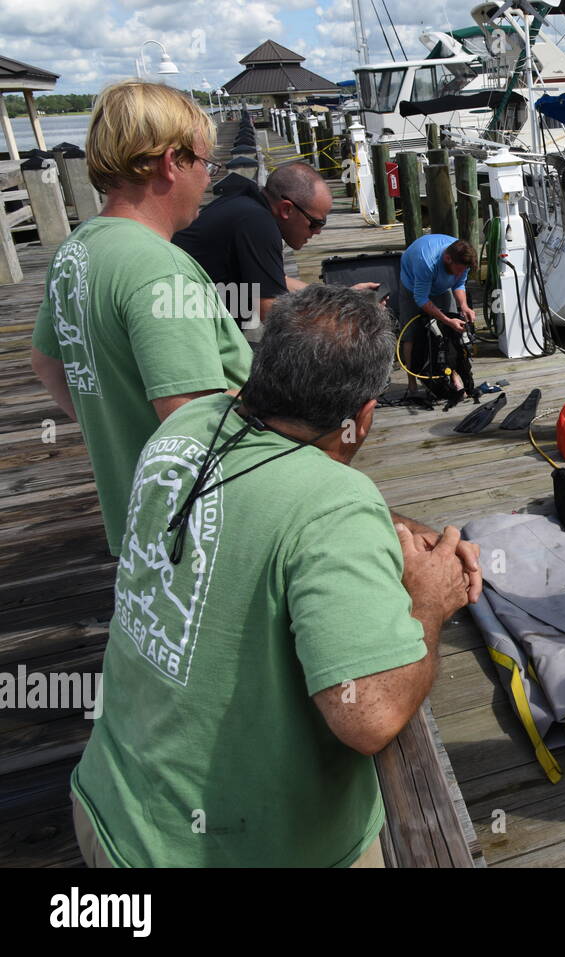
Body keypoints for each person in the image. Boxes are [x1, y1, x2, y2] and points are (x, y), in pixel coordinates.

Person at [69, 285, 483, 867]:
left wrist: (400, 529)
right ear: (362, 416)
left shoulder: (188, 424)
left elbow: (271, 492)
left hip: (111, 809)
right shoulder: (333, 505)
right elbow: (369, 718)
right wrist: (430, 600)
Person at [29, 80, 253, 558]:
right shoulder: (161, 269)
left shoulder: (77, 249)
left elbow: (45, 362)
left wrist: (113, 428)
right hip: (200, 529)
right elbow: (194, 420)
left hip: (137, 513)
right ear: (173, 163)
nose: (209, 180)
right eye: (206, 164)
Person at [173, 162, 362, 326]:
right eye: (315, 223)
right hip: (182, 328)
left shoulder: (245, 206)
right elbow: (270, 311)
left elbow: (278, 280)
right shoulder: (256, 222)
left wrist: (339, 297)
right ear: (286, 209)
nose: (318, 231)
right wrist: (342, 316)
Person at [397, 235, 478, 395]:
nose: (460, 273)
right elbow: (421, 299)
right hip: (413, 286)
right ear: (447, 259)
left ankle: (454, 375)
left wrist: (464, 306)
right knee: (410, 335)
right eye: (459, 269)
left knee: (453, 332)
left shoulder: (462, 259)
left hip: (442, 287)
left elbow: (459, 283)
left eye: (464, 270)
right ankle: (411, 383)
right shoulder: (426, 262)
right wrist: (447, 320)